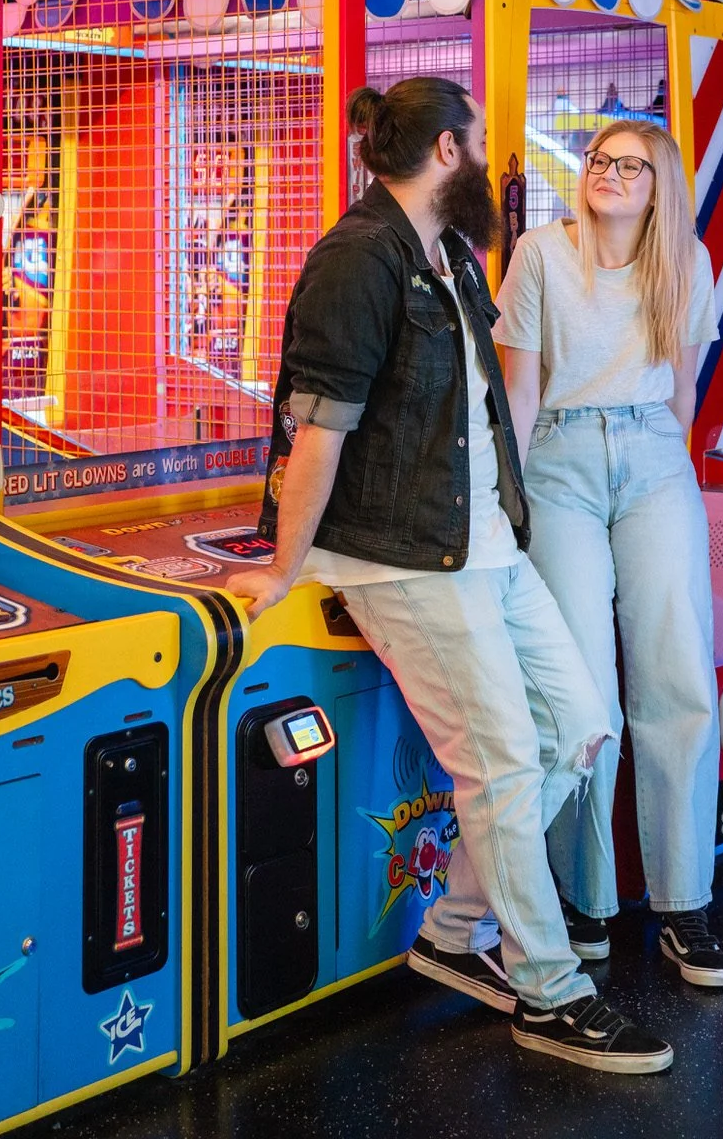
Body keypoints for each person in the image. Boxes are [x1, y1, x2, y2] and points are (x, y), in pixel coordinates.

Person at [226, 79, 673, 1075]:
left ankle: (452, 927)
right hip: (402, 557)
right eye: (475, 144)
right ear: (443, 151)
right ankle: (550, 993)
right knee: (506, 762)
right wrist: (283, 565)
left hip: (481, 545)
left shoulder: (452, 255)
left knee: (577, 722)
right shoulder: (357, 259)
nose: (488, 161)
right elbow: (318, 430)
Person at [495, 119, 723, 991]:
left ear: (659, 185)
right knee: (582, 685)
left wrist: (655, 462)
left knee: (678, 672)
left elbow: (680, 390)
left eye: (632, 165)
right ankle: (587, 898)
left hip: (652, 459)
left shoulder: (686, 265)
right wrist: (504, 502)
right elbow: (517, 392)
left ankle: (682, 902)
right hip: (557, 458)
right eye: (601, 159)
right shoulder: (537, 256)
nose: (610, 173)